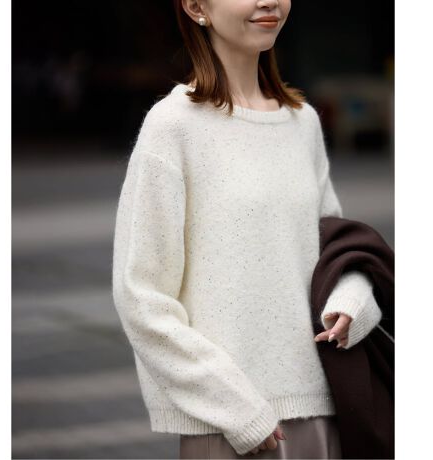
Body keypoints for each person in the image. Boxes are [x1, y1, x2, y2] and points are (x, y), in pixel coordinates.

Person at [111, 0, 383, 458]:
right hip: (231, 428)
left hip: (325, 410)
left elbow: (337, 249)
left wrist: (352, 303)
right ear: (196, 6)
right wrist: (235, 409)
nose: (268, 1)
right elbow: (141, 297)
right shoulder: (172, 127)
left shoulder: (302, 122)